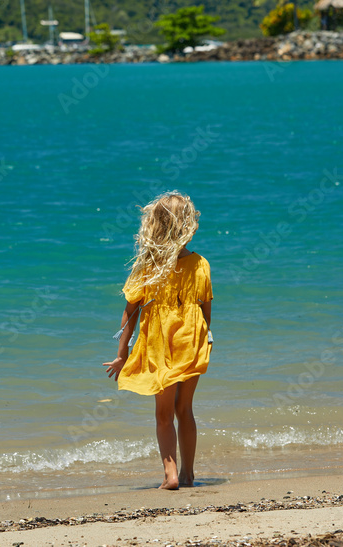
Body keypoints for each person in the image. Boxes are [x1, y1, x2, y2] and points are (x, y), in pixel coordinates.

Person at [104, 191, 212, 490]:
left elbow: (130, 313)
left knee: (164, 414)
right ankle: (190, 475)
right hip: (192, 340)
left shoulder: (147, 267)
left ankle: (171, 474)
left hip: (161, 344)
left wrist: (121, 353)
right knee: (185, 409)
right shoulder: (201, 264)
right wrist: (203, 342)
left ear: (154, 226)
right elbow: (206, 311)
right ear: (189, 225)